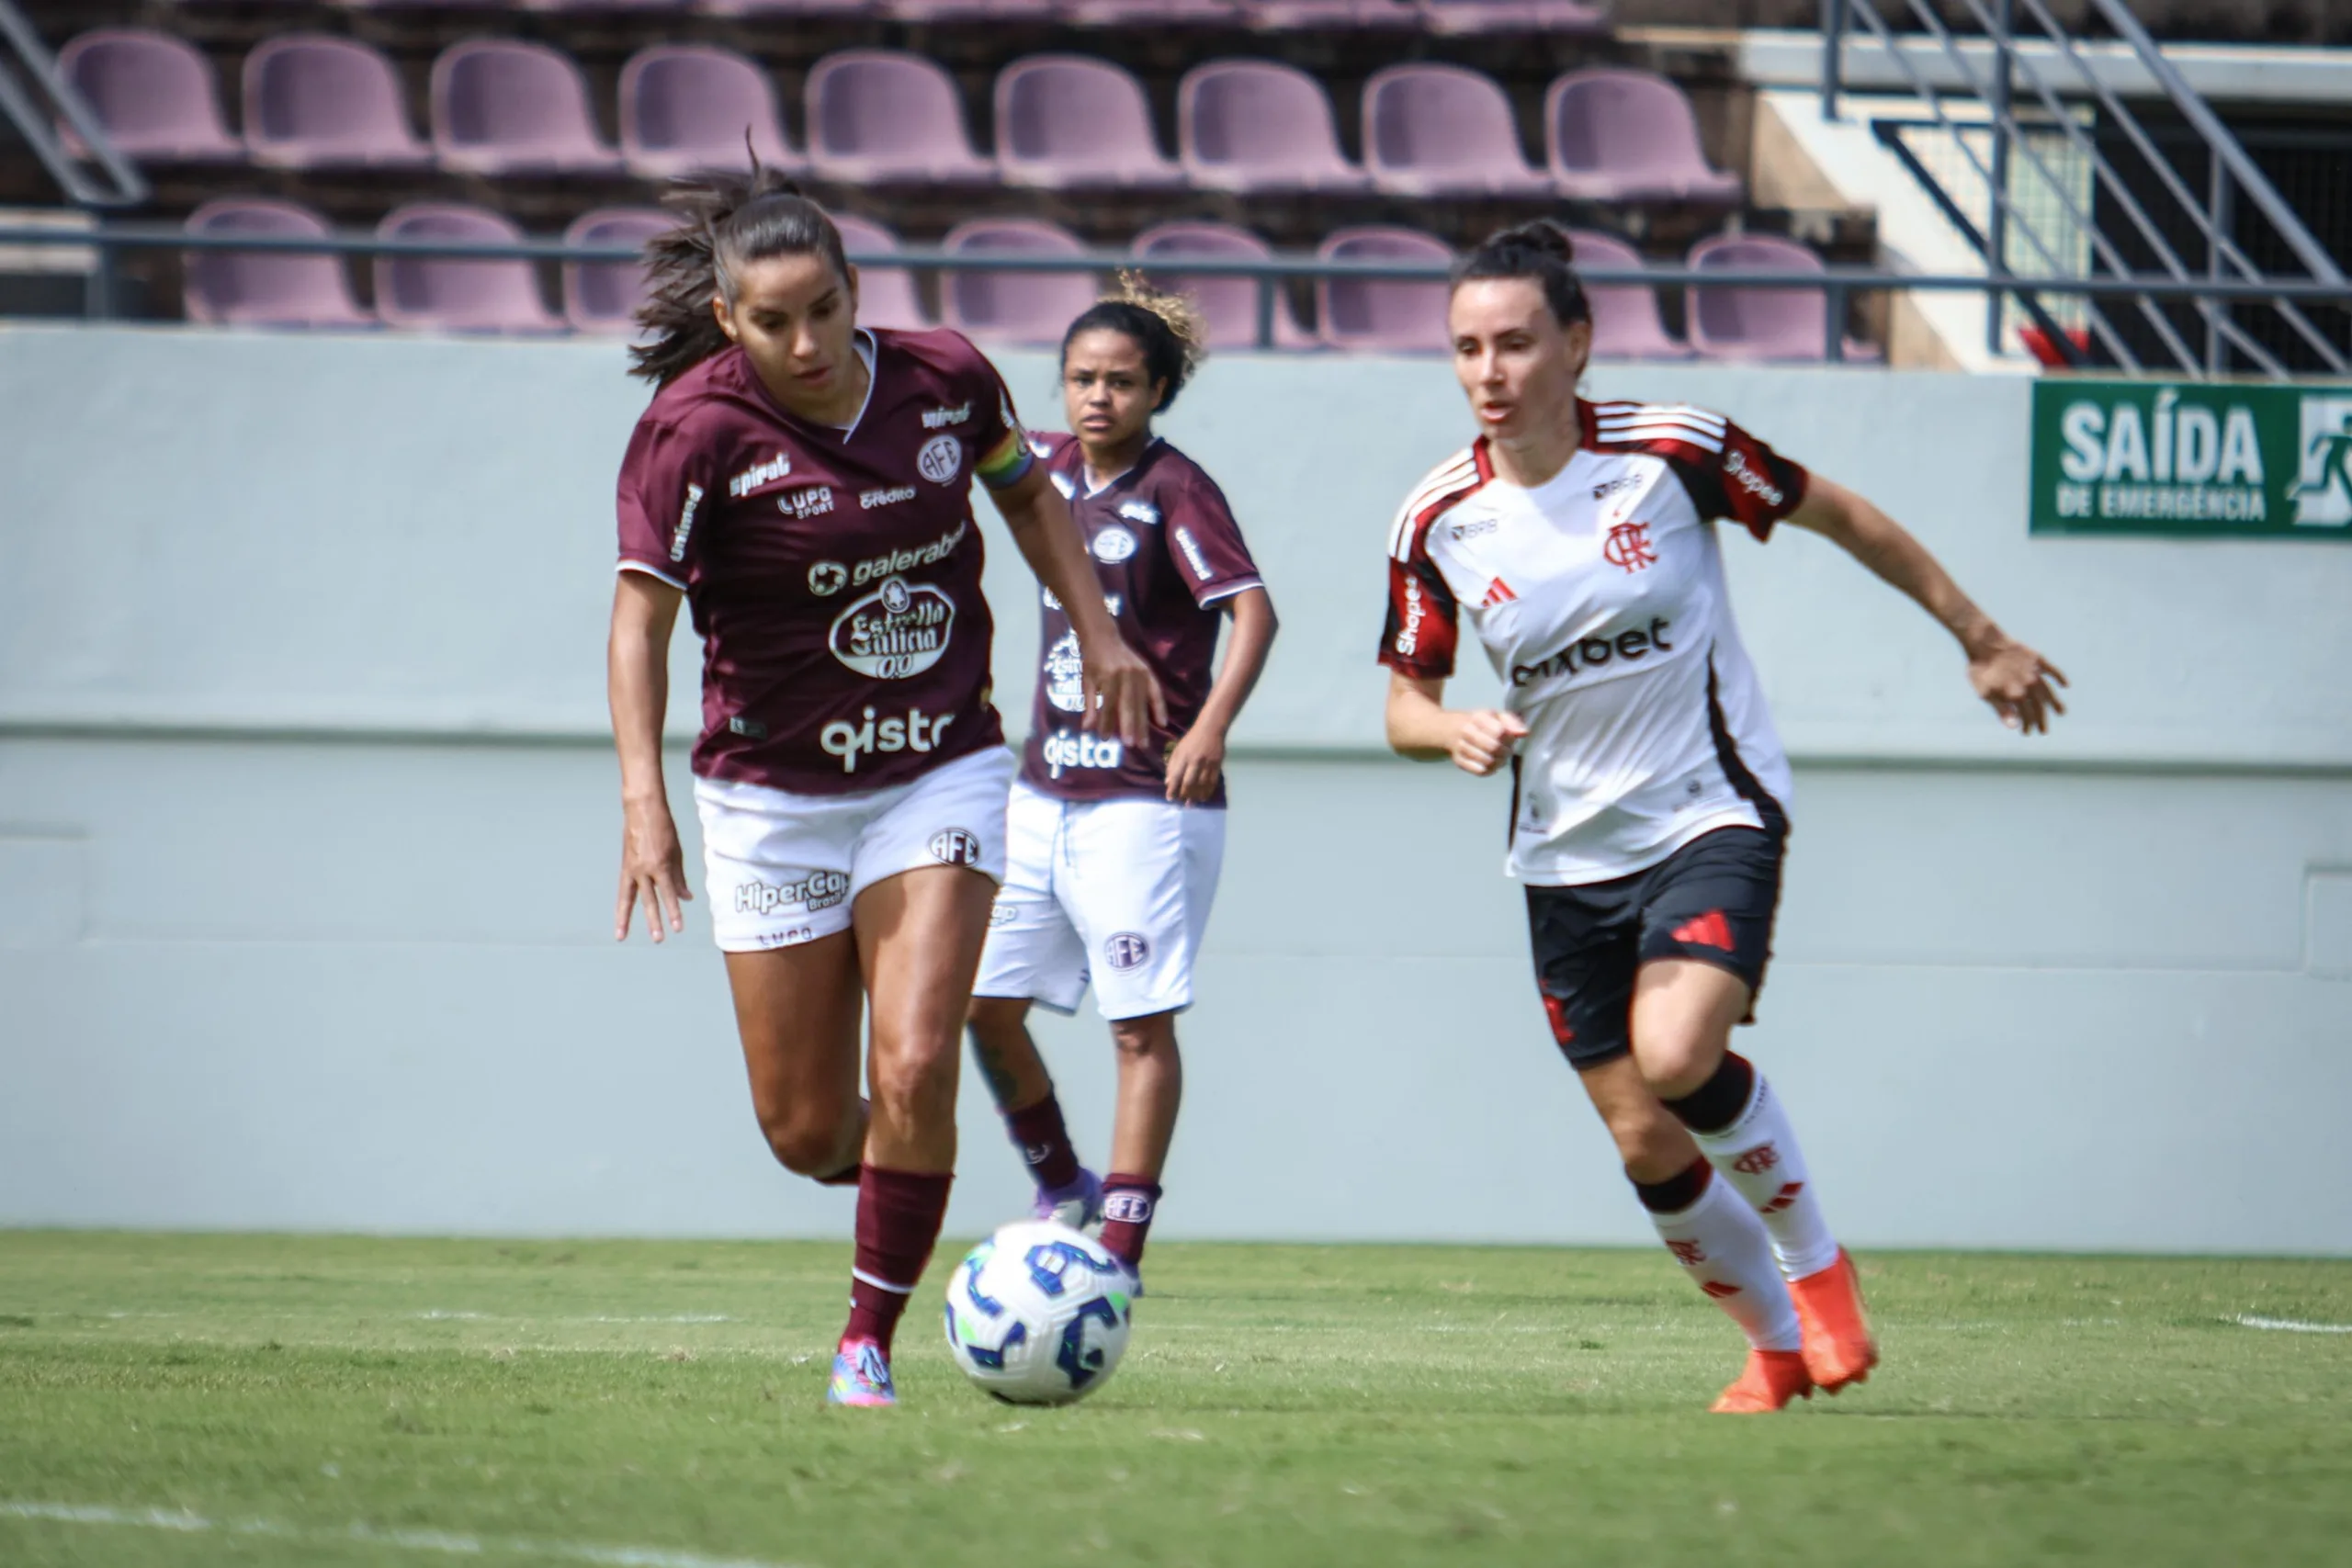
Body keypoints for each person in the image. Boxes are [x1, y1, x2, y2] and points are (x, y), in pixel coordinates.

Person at [1379, 221, 2066, 1413]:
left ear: (1576, 343)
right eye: (1467, 347)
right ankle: (1772, 1344)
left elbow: (1843, 515)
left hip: (1712, 809)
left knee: (1679, 1053)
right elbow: (1403, 702)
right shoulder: (1437, 518)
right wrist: (1457, 729)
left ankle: (1819, 1270)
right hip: (1561, 854)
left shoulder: (1674, 448)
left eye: (1516, 342)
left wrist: (1981, 634)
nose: (1490, 371)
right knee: (1644, 1136)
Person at [606, 168, 1161, 1408]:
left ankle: (869, 1340)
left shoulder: (946, 377)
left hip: (938, 768)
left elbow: (1030, 497)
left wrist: (1101, 633)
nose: (803, 342)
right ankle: (931, 1181)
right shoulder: (693, 431)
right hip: (771, 798)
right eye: (771, 321)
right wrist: (645, 802)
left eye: (822, 308)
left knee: (913, 1063)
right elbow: (638, 624)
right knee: (808, 1132)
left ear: (855, 287)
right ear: (728, 320)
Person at [965, 278, 1279, 1274]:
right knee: (981, 1004)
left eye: (1121, 382)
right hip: (1040, 790)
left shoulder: (1174, 489)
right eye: (1081, 378)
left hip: (1145, 800)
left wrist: (1209, 730)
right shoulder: (1044, 470)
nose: (1097, 397)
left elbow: (1254, 612)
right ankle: (1064, 1184)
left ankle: (1121, 1251)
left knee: (1138, 1028)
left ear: (1157, 392)